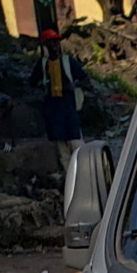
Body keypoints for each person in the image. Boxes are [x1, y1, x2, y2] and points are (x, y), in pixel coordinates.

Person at [29, 28, 90, 169]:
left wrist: (72, 86)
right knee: (61, 147)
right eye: (51, 43)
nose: (54, 46)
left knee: (76, 143)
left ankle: (84, 172)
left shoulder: (68, 62)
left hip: (68, 105)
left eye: (56, 42)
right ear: (46, 45)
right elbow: (32, 81)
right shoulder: (43, 65)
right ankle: (70, 178)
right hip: (53, 108)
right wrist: (43, 87)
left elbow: (85, 80)